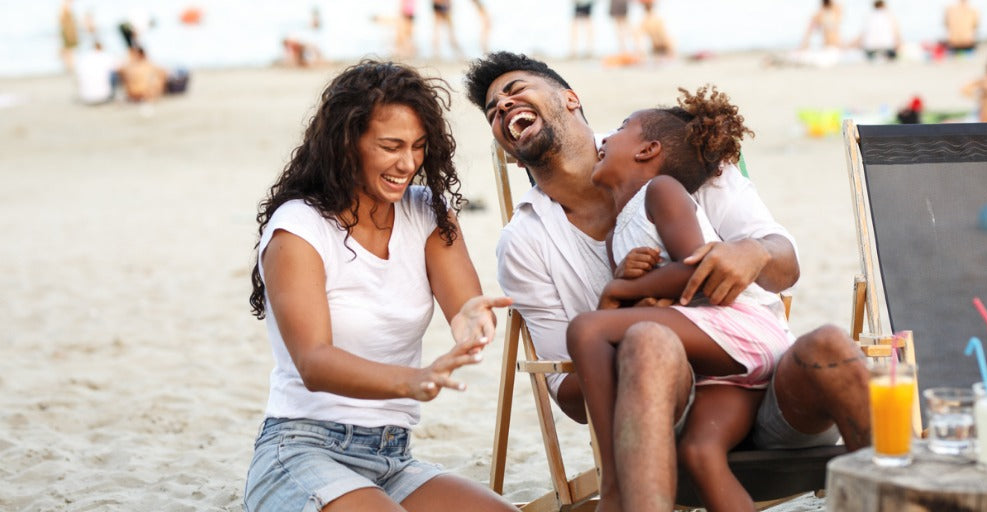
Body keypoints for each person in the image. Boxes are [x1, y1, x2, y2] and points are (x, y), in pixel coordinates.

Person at [464, 52, 869, 511]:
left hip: (774, 386)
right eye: (492, 109)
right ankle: (620, 484)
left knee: (831, 344)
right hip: (674, 420)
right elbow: (572, 398)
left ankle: (907, 495)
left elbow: (783, 267)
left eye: (515, 89)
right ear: (508, 151)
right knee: (649, 342)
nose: (501, 106)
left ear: (570, 99)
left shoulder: (680, 161)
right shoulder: (524, 242)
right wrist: (636, 333)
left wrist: (751, 252)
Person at [243, 60, 517, 512]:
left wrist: (473, 324)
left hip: (392, 458)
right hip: (300, 451)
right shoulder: (298, 230)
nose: (407, 163)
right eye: (391, 146)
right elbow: (314, 362)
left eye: (418, 146)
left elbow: (466, 306)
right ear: (347, 144)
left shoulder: (428, 212)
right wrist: (415, 380)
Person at [566, 87, 794, 511]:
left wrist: (622, 289)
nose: (602, 140)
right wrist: (632, 287)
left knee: (585, 328)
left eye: (618, 130)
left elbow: (698, 272)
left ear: (647, 150)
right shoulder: (621, 229)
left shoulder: (662, 191)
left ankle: (613, 482)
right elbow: (659, 299)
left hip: (741, 326)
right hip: (718, 369)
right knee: (701, 455)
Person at [58, 0, 79, 72]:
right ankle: (69, 67)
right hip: (68, 32)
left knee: (69, 50)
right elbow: (62, 21)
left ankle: (69, 67)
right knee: (68, 51)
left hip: (68, 31)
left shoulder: (65, 7)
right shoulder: (64, 8)